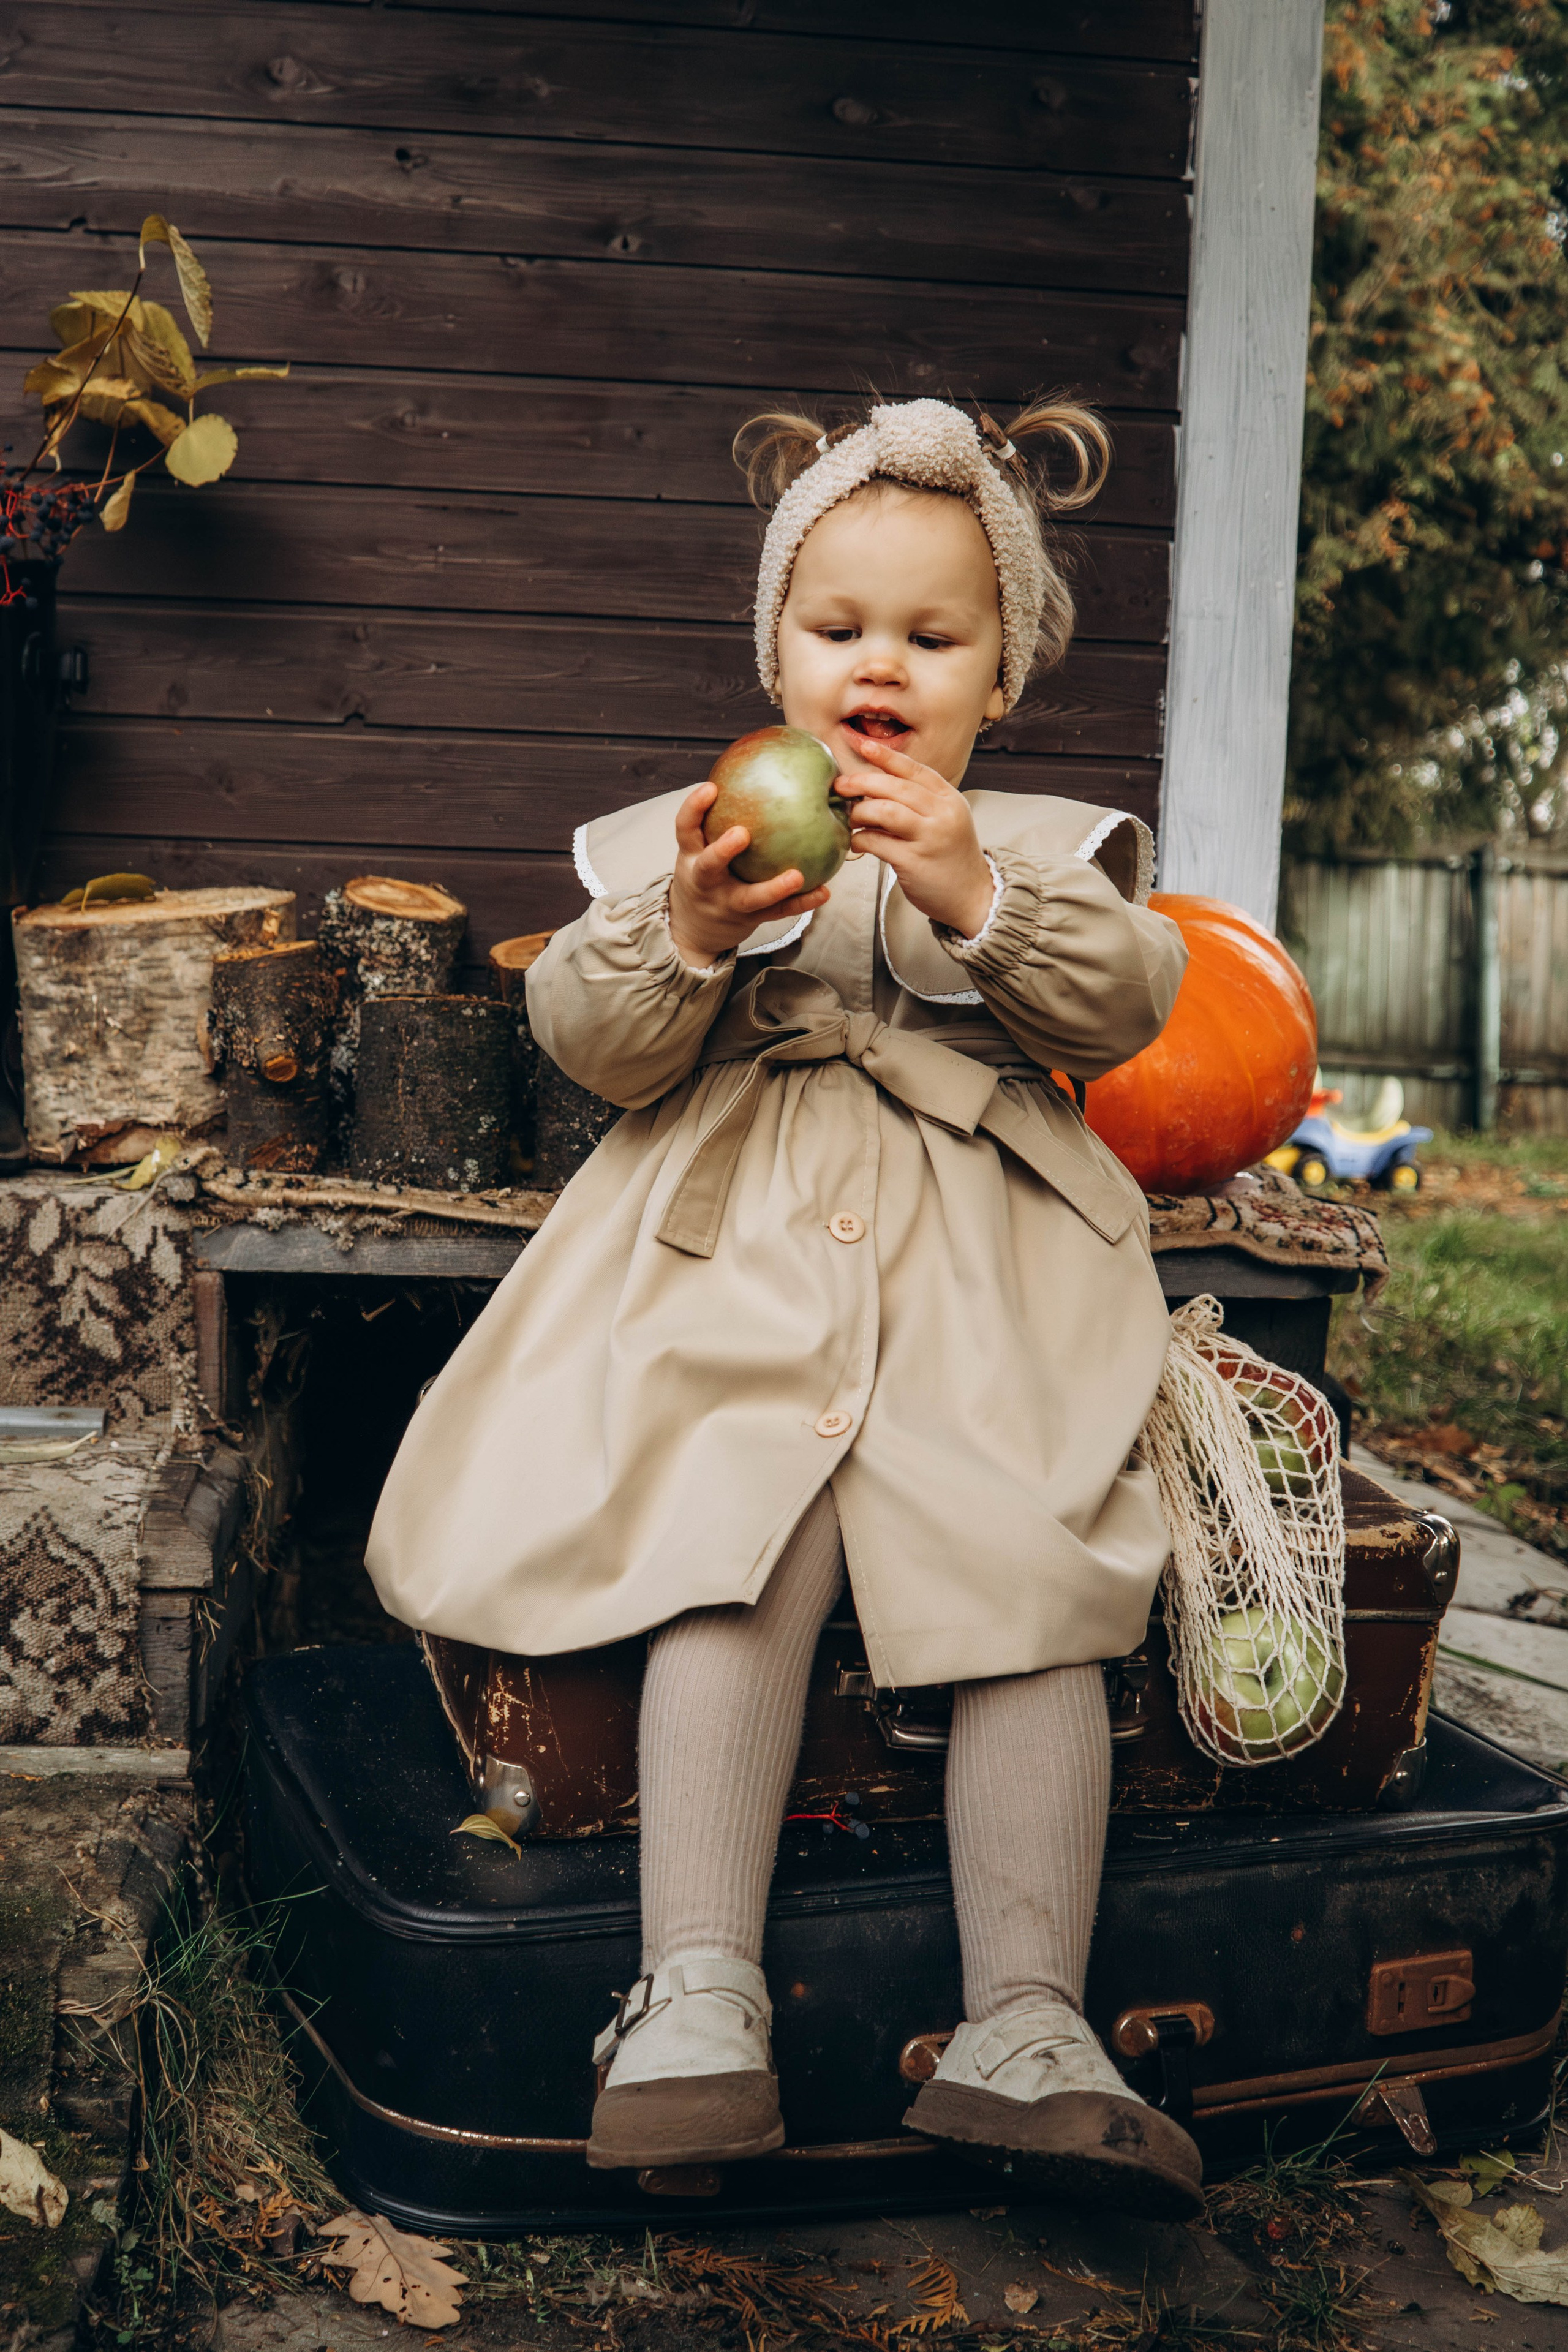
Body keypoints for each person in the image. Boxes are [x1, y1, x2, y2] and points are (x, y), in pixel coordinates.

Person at [367, 394, 1200, 2217]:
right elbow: (591, 1042)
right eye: (839, 629)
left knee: (1032, 1577)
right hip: (736, 1261)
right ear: (777, 654)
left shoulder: (1041, 846)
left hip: (980, 1286)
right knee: (724, 1552)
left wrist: (972, 889)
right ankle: (696, 2003)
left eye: (933, 637)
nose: (880, 667)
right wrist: (685, 930)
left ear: (1003, 675)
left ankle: (1029, 2029)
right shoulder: (692, 845)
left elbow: (1127, 1006)